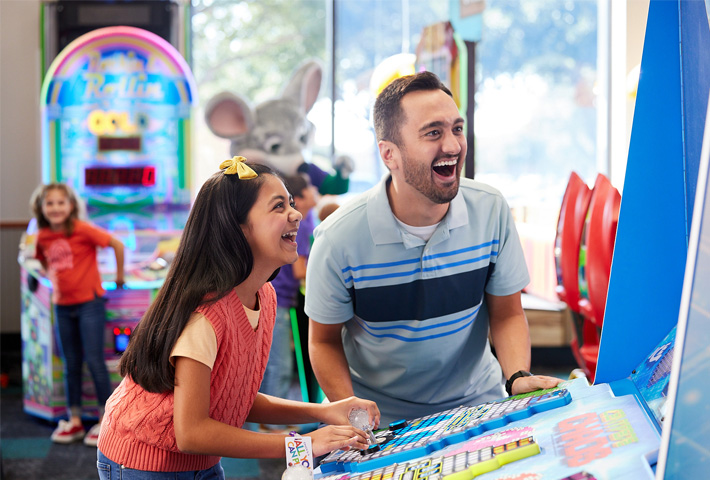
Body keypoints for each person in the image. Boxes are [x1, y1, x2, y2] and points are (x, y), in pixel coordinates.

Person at [304, 72, 562, 425]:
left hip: (480, 405)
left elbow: (507, 313)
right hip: (384, 421)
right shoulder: (336, 238)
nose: (454, 146)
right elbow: (323, 341)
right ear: (389, 154)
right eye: (433, 133)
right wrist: (353, 411)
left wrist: (517, 376)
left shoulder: (490, 209)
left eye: (457, 128)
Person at [96, 157, 379, 479]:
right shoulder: (204, 317)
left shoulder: (265, 296)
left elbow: (234, 395)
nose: (296, 213)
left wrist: (324, 411)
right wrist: (300, 443)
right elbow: (191, 433)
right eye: (278, 207)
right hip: (142, 461)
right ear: (238, 229)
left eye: (291, 202)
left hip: (198, 459)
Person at [31, 183, 125, 447]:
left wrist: (119, 277)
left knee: (94, 361)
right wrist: (51, 276)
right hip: (62, 305)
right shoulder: (42, 236)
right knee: (71, 362)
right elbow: (40, 259)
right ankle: (74, 420)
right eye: (50, 203)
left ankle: (105, 418)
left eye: (61, 202)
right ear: (42, 208)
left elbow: (116, 244)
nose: (56, 208)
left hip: (90, 304)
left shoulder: (83, 230)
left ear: (71, 206)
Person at [260, 173, 318, 431]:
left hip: (276, 296)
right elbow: (299, 270)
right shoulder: (303, 224)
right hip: (280, 300)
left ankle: (271, 421)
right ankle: (272, 425)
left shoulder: (299, 223)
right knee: (279, 363)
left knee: (273, 361)